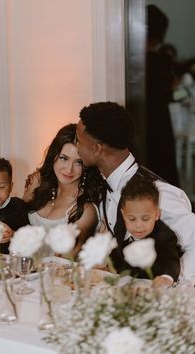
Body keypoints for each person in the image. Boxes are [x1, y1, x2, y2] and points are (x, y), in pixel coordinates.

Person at [76, 101, 195, 281]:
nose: (76, 146)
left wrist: (171, 285)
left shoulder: (158, 193)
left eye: (78, 140)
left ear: (97, 148)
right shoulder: (106, 185)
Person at [24, 123, 101, 259]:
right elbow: (14, 228)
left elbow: (68, 259)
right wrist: (27, 195)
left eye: (78, 162)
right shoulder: (39, 189)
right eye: (63, 158)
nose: (69, 169)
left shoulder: (85, 209)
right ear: (53, 156)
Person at [113, 175, 181, 288]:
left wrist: (167, 277)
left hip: (152, 289)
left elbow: (171, 262)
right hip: (124, 286)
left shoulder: (164, 236)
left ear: (157, 214)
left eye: (145, 219)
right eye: (132, 219)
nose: (139, 225)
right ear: (123, 215)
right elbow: (116, 253)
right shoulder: (121, 228)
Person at [146, 5, 179, 186]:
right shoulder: (162, 62)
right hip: (160, 121)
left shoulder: (134, 62)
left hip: (144, 122)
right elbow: (171, 94)